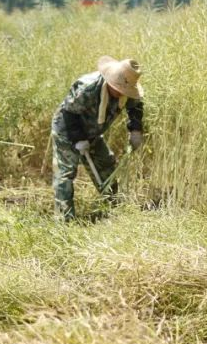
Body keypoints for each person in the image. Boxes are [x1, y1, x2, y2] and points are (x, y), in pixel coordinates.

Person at [51, 56, 145, 221]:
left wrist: (135, 130)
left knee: (106, 165)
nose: (122, 93)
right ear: (111, 81)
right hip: (67, 129)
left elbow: (135, 107)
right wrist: (79, 139)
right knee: (66, 172)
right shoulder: (88, 87)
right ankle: (64, 219)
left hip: (93, 131)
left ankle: (112, 210)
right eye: (119, 88)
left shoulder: (128, 89)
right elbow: (69, 113)